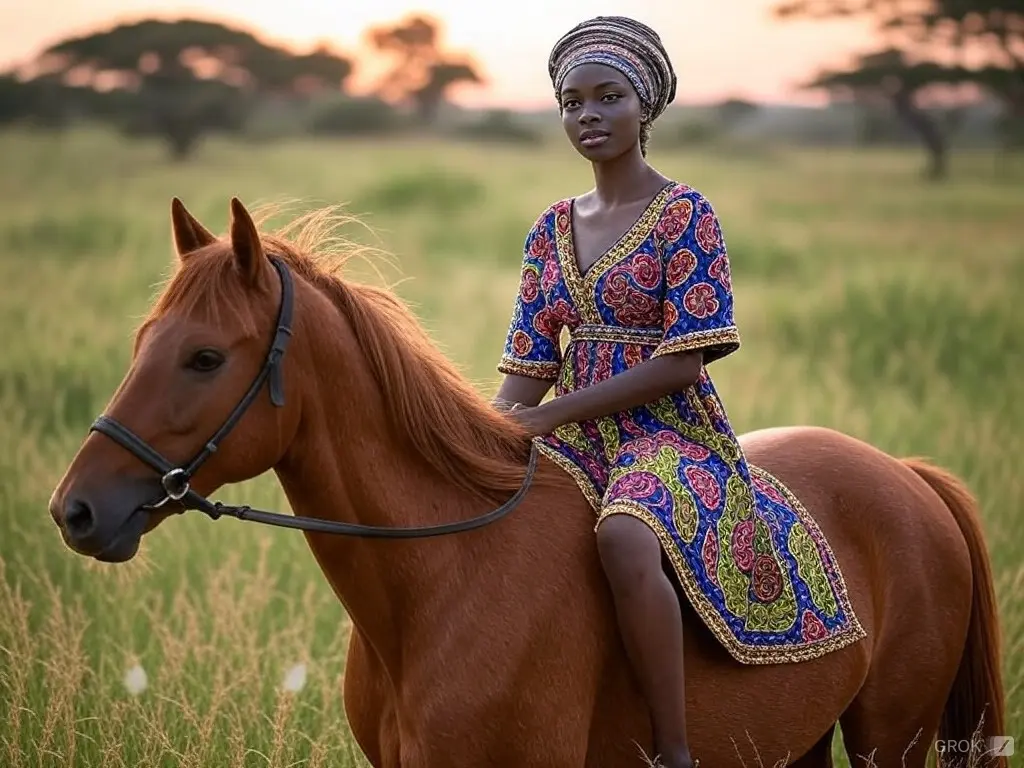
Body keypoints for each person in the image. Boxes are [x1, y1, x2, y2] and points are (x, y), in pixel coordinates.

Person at [492, 15, 747, 768]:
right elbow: (527, 370)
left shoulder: (685, 214)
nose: (588, 116)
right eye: (572, 102)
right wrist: (483, 432)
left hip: (669, 432)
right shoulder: (550, 229)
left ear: (645, 108)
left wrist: (545, 419)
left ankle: (671, 750)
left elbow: (684, 364)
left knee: (625, 534)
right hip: (571, 435)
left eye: (607, 98)